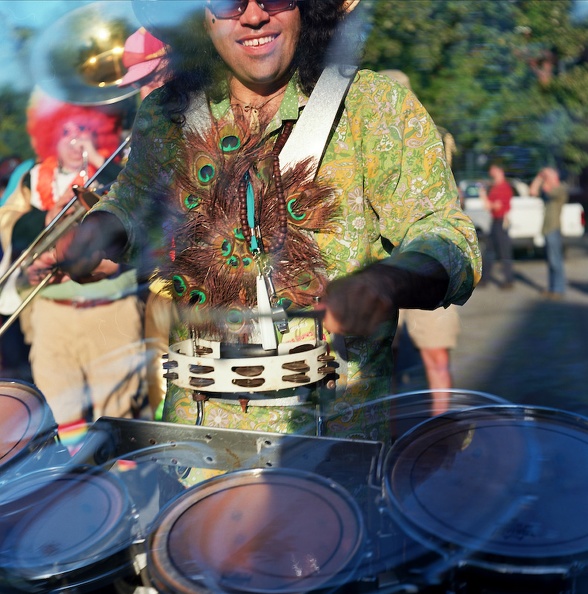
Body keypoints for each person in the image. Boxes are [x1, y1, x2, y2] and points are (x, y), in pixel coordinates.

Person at [54, 0, 481, 442]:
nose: (253, 14)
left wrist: (389, 280)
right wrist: (101, 230)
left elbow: (447, 236)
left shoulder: (375, 108)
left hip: (333, 448)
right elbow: (132, 202)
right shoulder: (166, 115)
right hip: (192, 447)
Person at [0, 89, 146, 427]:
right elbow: (9, 229)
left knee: (118, 417)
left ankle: (118, 479)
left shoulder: (123, 174)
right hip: (54, 314)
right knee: (62, 414)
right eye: (66, 131)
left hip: (111, 312)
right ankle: (76, 477)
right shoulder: (35, 181)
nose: (75, 140)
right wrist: (47, 217)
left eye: (84, 130)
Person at [381, 69, 461, 416]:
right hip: (383, 262)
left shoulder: (434, 136)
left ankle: (441, 431)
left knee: (435, 353)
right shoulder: (365, 140)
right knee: (381, 360)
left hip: (427, 254)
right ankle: (387, 438)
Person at [118, 26, 172, 419]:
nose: (143, 94)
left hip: (220, 292)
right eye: (138, 84)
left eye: (150, 80)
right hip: (163, 283)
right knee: (162, 399)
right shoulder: (151, 131)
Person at [529, 167, 568, 300]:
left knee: (556, 260)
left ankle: (558, 289)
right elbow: (533, 191)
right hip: (547, 229)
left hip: (554, 228)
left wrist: (546, 176)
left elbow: (547, 188)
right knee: (551, 261)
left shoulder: (560, 189)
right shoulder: (550, 189)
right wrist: (540, 176)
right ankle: (552, 288)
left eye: (549, 176)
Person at [479, 163, 515, 288]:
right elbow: (488, 205)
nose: (491, 172)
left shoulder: (504, 187)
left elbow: (494, 206)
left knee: (504, 252)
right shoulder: (494, 187)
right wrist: (484, 196)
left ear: (499, 170)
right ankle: (484, 279)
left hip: (501, 221)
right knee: (489, 252)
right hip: (495, 221)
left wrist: (484, 197)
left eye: (493, 169)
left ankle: (509, 280)